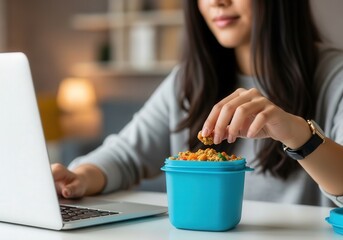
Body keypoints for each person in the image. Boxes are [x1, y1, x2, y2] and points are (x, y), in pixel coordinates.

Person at [52, 0, 343, 207]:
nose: (217, 2)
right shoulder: (188, 80)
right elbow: (127, 155)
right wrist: (78, 178)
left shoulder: (335, 75)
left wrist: (299, 134)